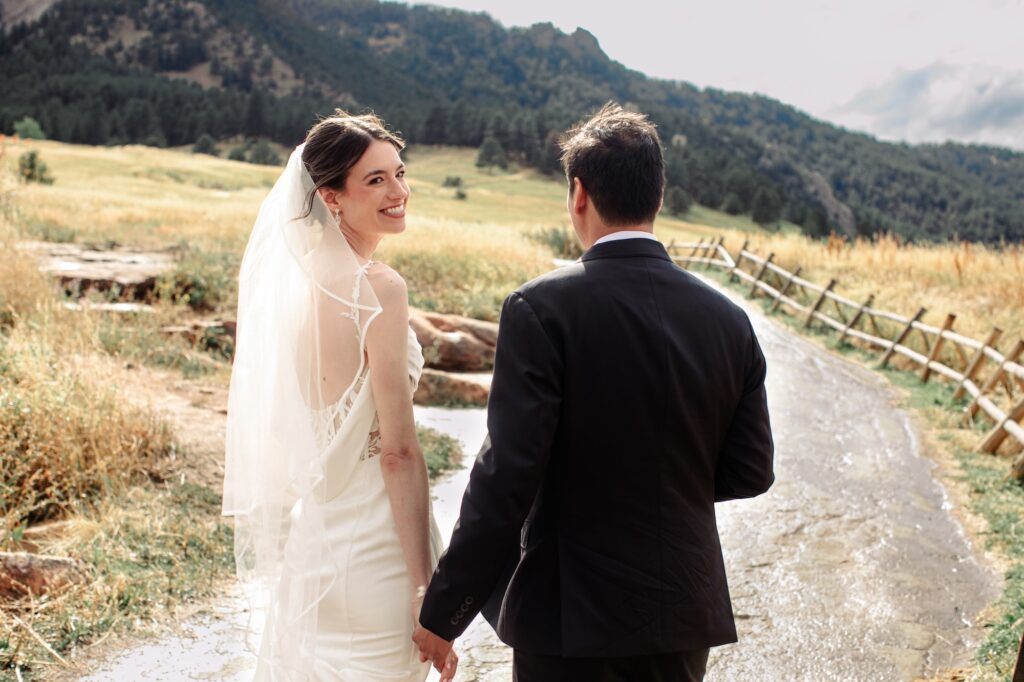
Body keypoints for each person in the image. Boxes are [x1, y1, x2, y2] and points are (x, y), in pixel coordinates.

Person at [413, 103, 775, 681]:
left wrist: (444, 609)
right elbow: (752, 470)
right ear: (658, 198)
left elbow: (507, 476)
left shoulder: (539, 309)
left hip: (570, 614)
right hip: (682, 610)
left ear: (578, 194)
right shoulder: (729, 319)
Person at [222, 111, 458, 681]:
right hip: (378, 557)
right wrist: (426, 586)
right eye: (375, 180)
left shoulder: (291, 288)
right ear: (330, 197)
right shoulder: (377, 289)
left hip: (315, 549)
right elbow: (397, 452)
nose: (399, 191)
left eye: (399, 174)